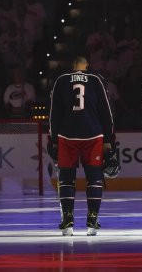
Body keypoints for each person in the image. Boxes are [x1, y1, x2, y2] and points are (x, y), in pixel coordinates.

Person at [48, 56, 116, 236]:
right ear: (87, 67)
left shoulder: (61, 80)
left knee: (66, 180)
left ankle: (68, 220)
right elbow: (105, 110)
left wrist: (53, 138)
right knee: (94, 179)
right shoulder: (96, 79)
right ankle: (92, 220)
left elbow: (54, 112)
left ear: (73, 67)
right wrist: (109, 138)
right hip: (92, 134)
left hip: (67, 135)